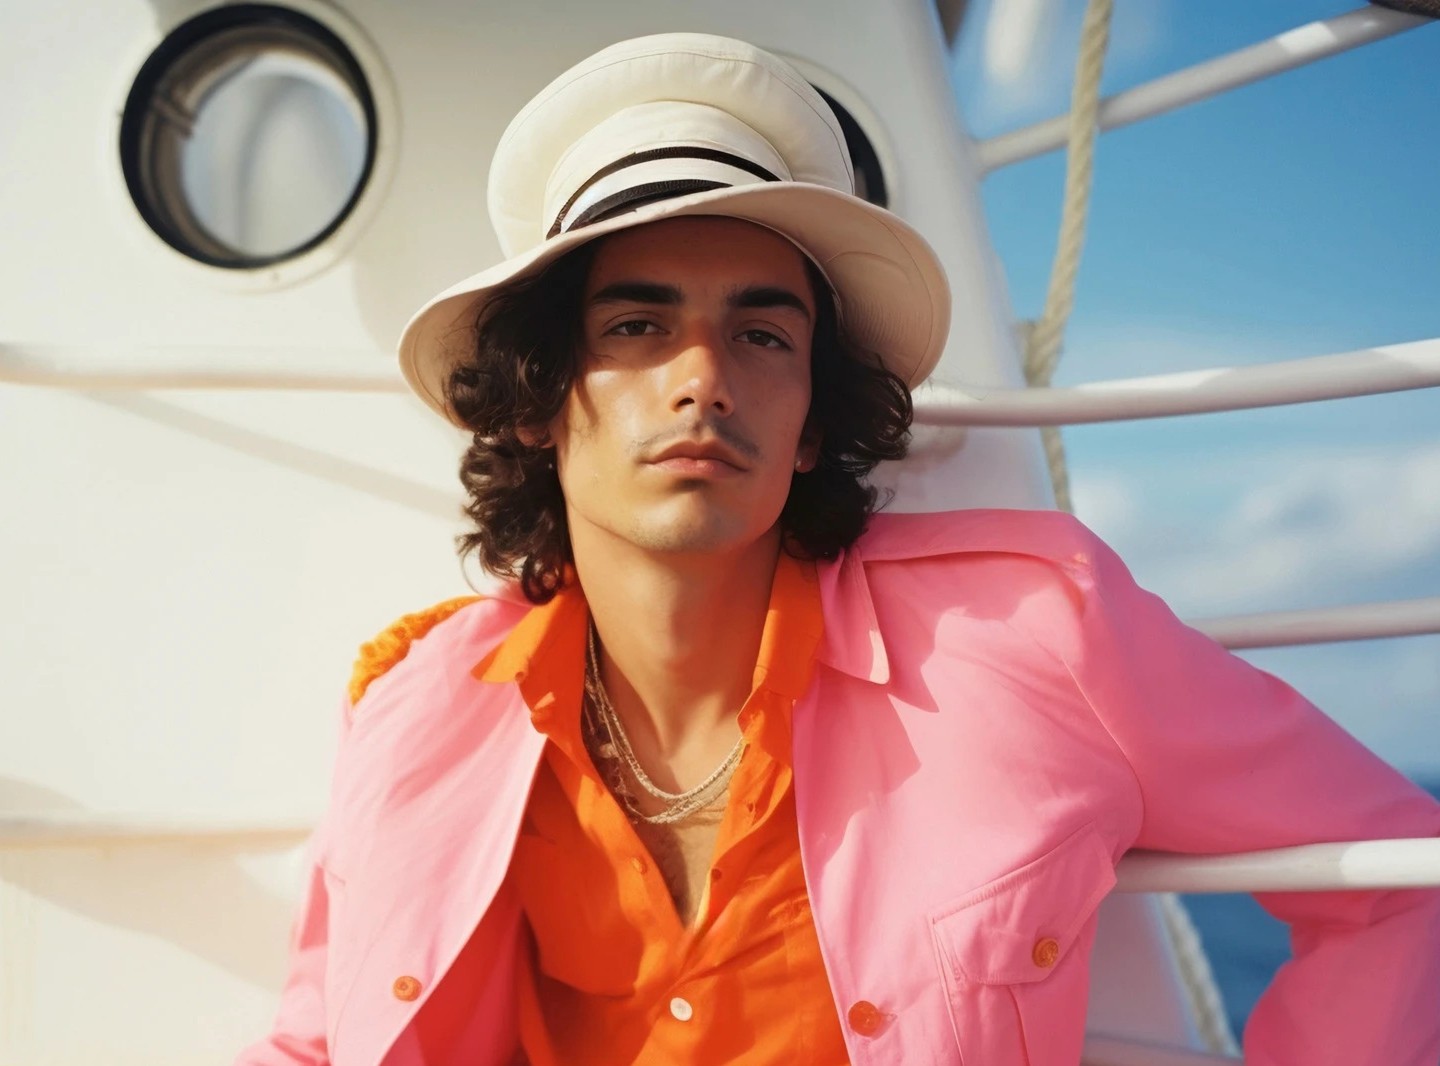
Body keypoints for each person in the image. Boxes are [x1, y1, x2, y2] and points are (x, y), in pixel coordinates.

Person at [237, 33, 1440, 1066]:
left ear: (812, 421)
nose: (704, 379)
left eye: (763, 335)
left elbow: (1399, 871)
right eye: (638, 325)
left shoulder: (1037, 631)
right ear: (540, 401)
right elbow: (321, 1036)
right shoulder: (416, 704)